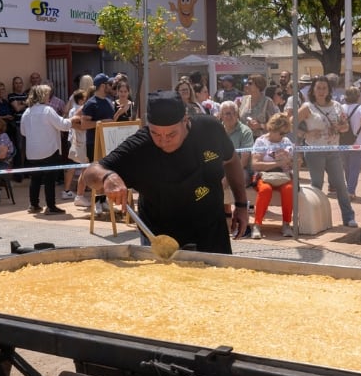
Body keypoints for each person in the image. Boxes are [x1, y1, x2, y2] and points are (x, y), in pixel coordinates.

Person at [83, 90, 249, 254]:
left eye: (171, 134)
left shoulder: (209, 130)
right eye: (155, 133)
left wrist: (241, 205)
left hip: (211, 227)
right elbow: (90, 172)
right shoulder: (139, 147)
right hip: (160, 236)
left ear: (185, 120)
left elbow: (231, 160)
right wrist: (107, 177)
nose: (163, 141)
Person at [296, 76, 357, 228]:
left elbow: (346, 126)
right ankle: (315, 219)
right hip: (314, 151)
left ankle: (348, 217)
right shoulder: (307, 107)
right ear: (313, 90)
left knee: (341, 185)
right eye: (318, 88)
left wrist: (339, 127)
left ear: (329, 90)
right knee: (317, 184)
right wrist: (306, 134)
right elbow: (290, 124)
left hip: (333, 151)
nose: (321, 91)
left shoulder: (337, 106)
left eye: (324, 88)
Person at [20, 84, 71, 214]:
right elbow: (63, 125)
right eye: (48, 94)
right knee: (50, 179)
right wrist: (72, 120)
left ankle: (34, 205)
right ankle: (51, 206)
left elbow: (23, 132)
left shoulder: (27, 112)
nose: (49, 97)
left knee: (35, 179)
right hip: (49, 150)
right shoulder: (48, 110)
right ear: (43, 96)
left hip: (32, 152)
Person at [72, 73, 117, 215]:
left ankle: (103, 201)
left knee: (106, 172)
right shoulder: (91, 103)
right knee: (97, 174)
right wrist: (101, 123)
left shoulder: (109, 101)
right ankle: (97, 202)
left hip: (108, 143)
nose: (111, 87)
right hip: (94, 143)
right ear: (103, 86)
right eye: (109, 84)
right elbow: (84, 124)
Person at [250, 112, 296, 239]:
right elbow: (255, 164)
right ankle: (257, 225)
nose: (283, 136)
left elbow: (294, 163)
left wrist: (291, 161)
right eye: (281, 133)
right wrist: (277, 163)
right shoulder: (261, 141)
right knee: (265, 190)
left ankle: (286, 224)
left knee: (289, 189)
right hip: (264, 175)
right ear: (272, 129)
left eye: (285, 133)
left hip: (283, 176)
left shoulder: (286, 141)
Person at [218, 100, 254, 216]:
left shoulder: (245, 131)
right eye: (227, 113)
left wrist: (228, 176)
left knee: (235, 180)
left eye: (234, 113)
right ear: (221, 115)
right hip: (221, 168)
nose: (231, 116)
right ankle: (225, 213)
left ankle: (240, 217)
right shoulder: (217, 130)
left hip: (241, 169)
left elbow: (244, 160)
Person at [340, 86, 361, 197]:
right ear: (358, 96)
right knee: (354, 167)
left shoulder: (341, 108)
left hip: (343, 142)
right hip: (358, 142)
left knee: (347, 167)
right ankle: (351, 190)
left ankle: (349, 188)